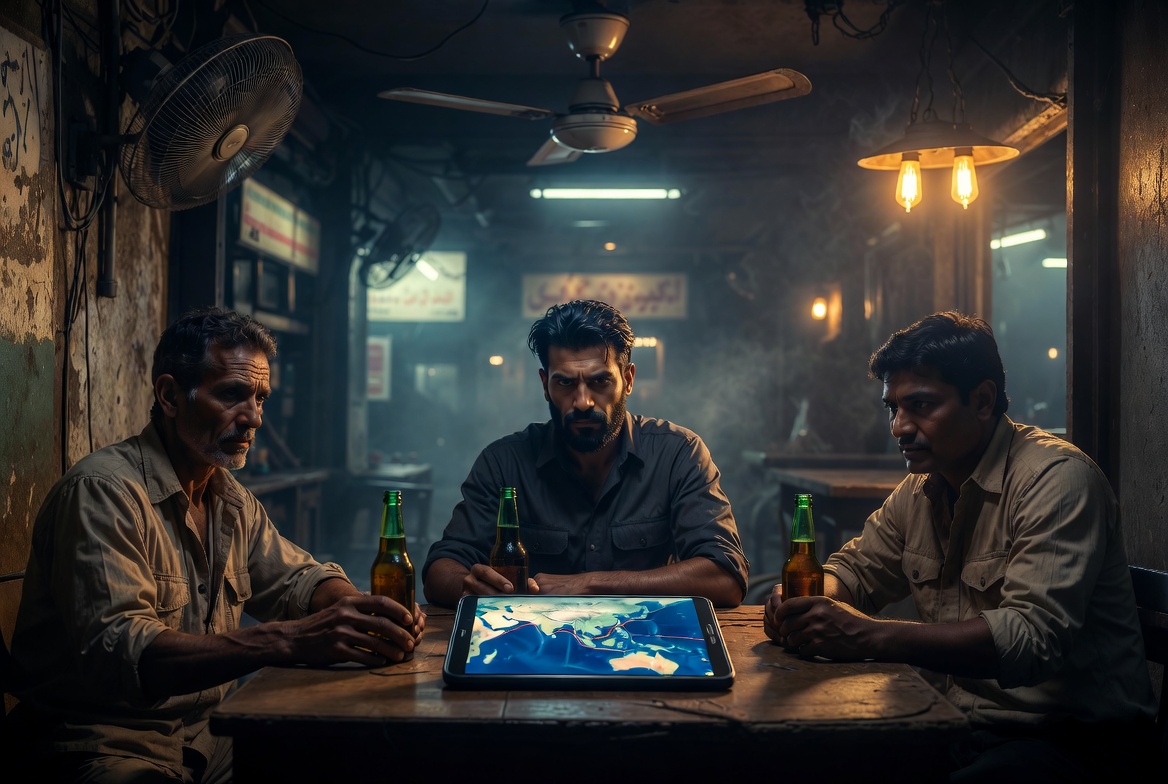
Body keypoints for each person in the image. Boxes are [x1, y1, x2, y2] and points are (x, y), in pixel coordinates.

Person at [8, 307, 426, 783]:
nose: (253, 418)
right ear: (169, 395)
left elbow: (299, 580)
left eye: (261, 398)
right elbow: (123, 651)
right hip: (103, 743)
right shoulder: (103, 492)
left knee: (353, 755)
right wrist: (288, 640)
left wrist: (364, 613)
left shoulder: (229, 499)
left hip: (204, 738)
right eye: (232, 394)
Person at [764, 311, 1157, 781]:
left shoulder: (1056, 480)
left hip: (1073, 744)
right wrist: (809, 596)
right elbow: (856, 569)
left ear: (983, 400)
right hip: (962, 728)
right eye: (893, 408)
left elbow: (1030, 638)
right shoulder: (922, 488)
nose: (899, 427)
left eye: (921, 405)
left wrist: (867, 635)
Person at [423, 299, 748, 608]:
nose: (582, 402)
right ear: (544, 384)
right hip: (532, 647)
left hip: (645, 649)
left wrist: (592, 584)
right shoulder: (504, 463)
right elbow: (442, 567)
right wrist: (468, 585)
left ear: (628, 379)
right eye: (564, 383)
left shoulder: (678, 453)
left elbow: (725, 575)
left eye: (600, 381)